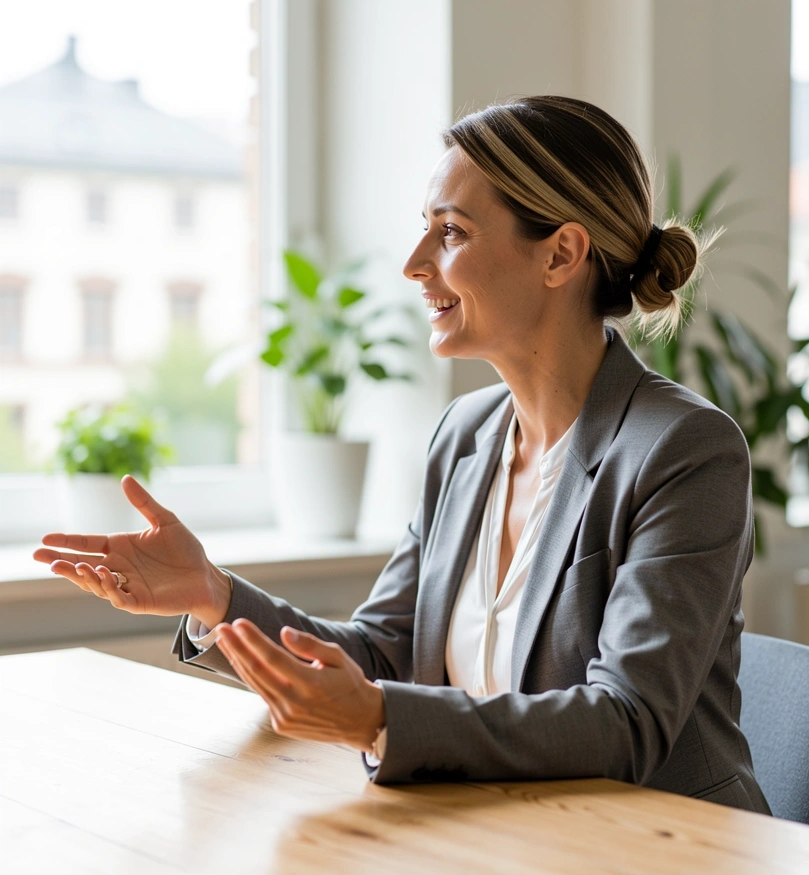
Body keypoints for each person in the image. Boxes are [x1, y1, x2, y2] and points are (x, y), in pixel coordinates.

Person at [34, 96, 770, 813]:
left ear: (561, 255)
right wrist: (213, 595)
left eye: (450, 233)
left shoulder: (683, 451)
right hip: (503, 834)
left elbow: (626, 723)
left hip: (661, 861)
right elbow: (384, 654)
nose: (416, 264)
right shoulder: (465, 436)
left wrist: (379, 721)